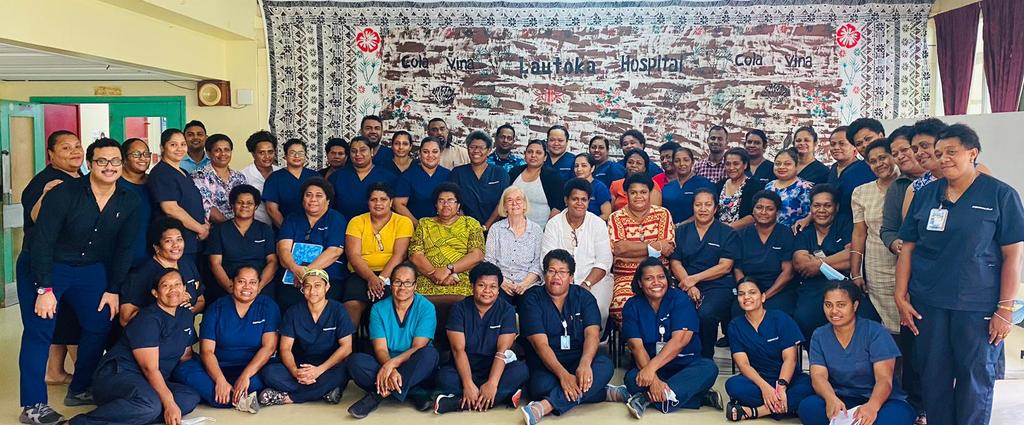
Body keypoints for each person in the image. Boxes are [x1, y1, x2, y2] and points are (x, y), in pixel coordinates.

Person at [896, 124, 1023, 425]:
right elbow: (908, 249)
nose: (943, 159)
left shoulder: (1000, 194)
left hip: (976, 304)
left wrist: (1005, 310)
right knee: (933, 376)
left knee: (974, 377)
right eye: (938, 153)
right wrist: (900, 295)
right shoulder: (926, 194)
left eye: (951, 152)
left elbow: (1013, 256)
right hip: (929, 303)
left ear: (973, 153)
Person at [21, 138, 140, 423]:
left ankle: (81, 387)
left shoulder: (129, 199)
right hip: (46, 266)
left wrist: (113, 290)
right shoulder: (65, 194)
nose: (109, 167)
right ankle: (33, 405)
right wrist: (45, 288)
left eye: (115, 161)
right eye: (102, 161)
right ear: (90, 164)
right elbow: (42, 242)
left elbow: (124, 248)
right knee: (40, 330)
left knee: (100, 322)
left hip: (89, 269)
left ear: (122, 165)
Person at [65, 269, 200, 425]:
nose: (173, 289)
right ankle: (78, 423)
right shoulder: (148, 318)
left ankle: (133, 413)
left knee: (189, 397)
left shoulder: (185, 315)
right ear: (155, 293)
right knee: (151, 405)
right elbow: (150, 368)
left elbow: (185, 355)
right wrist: (169, 403)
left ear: (184, 288)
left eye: (177, 284)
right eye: (166, 286)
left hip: (148, 381)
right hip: (119, 375)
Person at [611, 257, 721, 418]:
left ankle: (646, 398)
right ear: (640, 283)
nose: (656, 282)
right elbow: (636, 347)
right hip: (653, 369)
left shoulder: (680, 299)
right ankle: (697, 397)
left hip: (685, 366)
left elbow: (680, 341)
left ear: (667, 279)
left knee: (709, 368)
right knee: (632, 378)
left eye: (661, 277)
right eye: (649, 278)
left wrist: (650, 370)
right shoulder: (632, 306)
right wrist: (654, 378)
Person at [18, 130, 83, 389]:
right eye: (66, 148)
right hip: (44, 264)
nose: (74, 151)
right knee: (47, 325)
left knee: (68, 317)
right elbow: (36, 220)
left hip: (75, 263)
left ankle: (55, 372)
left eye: (77, 146)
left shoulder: (81, 179)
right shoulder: (45, 182)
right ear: (51, 154)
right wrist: (46, 195)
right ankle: (83, 379)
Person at [519, 250, 615, 425]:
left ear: (571, 277)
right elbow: (540, 345)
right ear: (545, 274)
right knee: (540, 388)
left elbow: (592, 334)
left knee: (605, 366)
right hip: (546, 362)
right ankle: (601, 392)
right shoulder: (531, 299)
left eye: (562, 272)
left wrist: (585, 364)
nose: (556, 276)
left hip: (578, 359)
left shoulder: (584, 297)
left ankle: (545, 406)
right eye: (551, 271)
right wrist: (563, 375)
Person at [798, 282, 915, 425]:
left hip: (880, 401)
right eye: (828, 305)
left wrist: (872, 407)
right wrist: (830, 399)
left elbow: (884, 379)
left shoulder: (875, 332)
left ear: (854, 306)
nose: (834, 311)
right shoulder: (819, 335)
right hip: (841, 399)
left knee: (898, 417)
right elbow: (818, 376)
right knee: (808, 407)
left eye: (841, 305)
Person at [172, 266, 278, 413]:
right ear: (232, 283)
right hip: (217, 368)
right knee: (183, 369)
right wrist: (220, 380)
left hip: (253, 370)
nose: (247, 287)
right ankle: (237, 397)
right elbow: (207, 351)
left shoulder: (268, 306)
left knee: (266, 377)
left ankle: (225, 396)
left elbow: (269, 347)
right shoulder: (216, 308)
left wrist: (245, 376)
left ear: (259, 284)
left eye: (252, 282)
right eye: (241, 281)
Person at [433, 262, 529, 414]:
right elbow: (458, 350)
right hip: (465, 367)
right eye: (482, 285)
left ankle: (458, 403)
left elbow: (502, 351)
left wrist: (492, 383)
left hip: (495, 368)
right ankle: (501, 397)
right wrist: (468, 384)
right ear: (472, 286)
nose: (487, 291)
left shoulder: (506, 310)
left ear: (498, 290)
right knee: (444, 377)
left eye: (493, 287)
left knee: (521, 370)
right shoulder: (459, 309)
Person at [347, 263, 440, 418]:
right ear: (391, 284)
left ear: (415, 285)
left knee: (429, 355)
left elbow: (418, 347)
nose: (402, 287)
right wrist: (390, 368)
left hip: (414, 362)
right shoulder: (378, 308)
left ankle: (377, 396)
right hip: (386, 363)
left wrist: (391, 365)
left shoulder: (426, 307)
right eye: (397, 282)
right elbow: (380, 350)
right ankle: (412, 391)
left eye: (408, 282)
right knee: (355, 362)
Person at [259, 269, 354, 408]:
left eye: (317, 285)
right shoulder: (293, 312)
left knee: (343, 372)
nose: (312, 290)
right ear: (302, 289)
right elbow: (285, 348)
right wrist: (295, 372)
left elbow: (347, 348)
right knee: (269, 373)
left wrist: (319, 370)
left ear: (327, 287)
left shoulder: (338, 310)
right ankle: (323, 392)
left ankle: (288, 398)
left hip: (328, 366)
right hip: (301, 366)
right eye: (307, 286)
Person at [725, 279, 813, 421]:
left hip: (788, 379)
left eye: (752, 293)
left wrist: (781, 387)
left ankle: (755, 411)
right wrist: (765, 388)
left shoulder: (780, 318)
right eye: (741, 294)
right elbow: (743, 365)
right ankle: (785, 407)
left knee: (810, 385)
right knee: (733, 385)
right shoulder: (735, 326)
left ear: (763, 297)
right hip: (759, 380)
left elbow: (790, 359)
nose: (746, 297)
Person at [669, 189, 740, 358]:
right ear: (692, 207)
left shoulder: (727, 232)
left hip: (718, 285)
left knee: (705, 314)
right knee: (678, 310)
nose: (703, 209)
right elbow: (675, 262)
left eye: (708, 205)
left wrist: (694, 280)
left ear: (715, 208)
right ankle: (678, 356)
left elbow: (725, 266)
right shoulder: (681, 231)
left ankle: (705, 357)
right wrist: (688, 283)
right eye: (698, 204)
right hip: (684, 282)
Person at [791, 185, 864, 339]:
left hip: (843, 283)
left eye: (827, 205)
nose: (822, 210)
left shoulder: (844, 224)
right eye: (817, 205)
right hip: (812, 287)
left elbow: (850, 257)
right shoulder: (805, 230)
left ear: (836, 207)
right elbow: (800, 263)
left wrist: (818, 264)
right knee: (804, 318)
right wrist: (833, 260)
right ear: (810, 208)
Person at [542, 179, 614, 328]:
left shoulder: (597, 224)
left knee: (598, 309)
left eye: (584, 200)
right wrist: (565, 284)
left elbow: (604, 261)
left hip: (594, 280)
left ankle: (593, 343)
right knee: (555, 309)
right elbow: (547, 259)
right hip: (559, 279)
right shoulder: (553, 224)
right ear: (566, 200)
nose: (580, 203)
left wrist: (586, 284)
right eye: (575, 199)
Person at [408, 183, 485, 321]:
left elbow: (477, 255)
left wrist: (449, 269)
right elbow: (415, 255)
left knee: (466, 300)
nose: (446, 204)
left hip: (461, 279)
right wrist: (434, 275)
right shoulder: (424, 224)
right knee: (416, 301)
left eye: (451, 200)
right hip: (428, 278)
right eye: (441, 201)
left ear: (458, 205)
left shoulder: (471, 223)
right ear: (436, 205)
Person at [608, 174, 675, 324]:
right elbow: (619, 249)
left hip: (659, 276)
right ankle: (637, 344)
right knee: (620, 305)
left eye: (643, 192)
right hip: (626, 278)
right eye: (633, 192)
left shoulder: (662, 214)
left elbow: (667, 248)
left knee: (671, 306)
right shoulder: (616, 217)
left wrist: (630, 251)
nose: (639, 196)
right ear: (626, 195)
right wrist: (654, 247)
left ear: (650, 193)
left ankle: (657, 343)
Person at [344, 182, 413, 326]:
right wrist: (371, 278)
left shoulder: (403, 222)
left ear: (391, 202)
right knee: (352, 305)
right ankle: (348, 346)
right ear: (367, 202)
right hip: (361, 273)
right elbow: (354, 256)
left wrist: (381, 279)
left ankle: (385, 346)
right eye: (373, 199)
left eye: (383, 199)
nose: (378, 203)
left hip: (391, 275)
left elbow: (399, 255)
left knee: (390, 306)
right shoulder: (356, 221)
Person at [850, 139, 901, 333]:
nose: (879, 164)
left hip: (905, 264)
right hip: (876, 266)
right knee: (884, 326)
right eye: (873, 161)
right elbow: (859, 233)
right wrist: (856, 272)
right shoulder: (861, 192)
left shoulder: (908, 185)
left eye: (883, 157)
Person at [276, 177, 347, 310]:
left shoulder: (336, 219)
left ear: (328, 200)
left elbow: (334, 251)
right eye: (308, 195)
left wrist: (306, 273)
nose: (313, 199)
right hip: (293, 275)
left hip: (327, 276)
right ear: (303, 199)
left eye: (319, 196)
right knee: (287, 303)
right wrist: (295, 268)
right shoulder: (292, 218)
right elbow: (283, 249)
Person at [120, 218, 204, 326]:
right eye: (168, 241)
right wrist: (169, 305)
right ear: (156, 247)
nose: (176, 245)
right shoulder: (140, 275)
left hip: (182, 336)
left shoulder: (188, 264)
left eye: (179, 239)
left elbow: (201, 301)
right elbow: (125, 319)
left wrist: (184, 312)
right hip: (152, 338)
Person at [206, 185, 278, 302]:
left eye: (249, 203)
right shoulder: (219, 231)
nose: (245, 206)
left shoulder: (265, 230)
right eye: (240, 202)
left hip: (260, 287)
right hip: (228, 287)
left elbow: (272, 261)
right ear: (232, 205)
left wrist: (258, 286)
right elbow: (215, 263)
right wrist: (230, 287)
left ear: (256, 206)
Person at [147, 128, 208, 267]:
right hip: (176, 245)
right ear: (163, 147)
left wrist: (205, 224)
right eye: (173, 145)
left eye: (182, 144)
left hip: (193, 241)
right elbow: (170, 209)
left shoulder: (183, 172)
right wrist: (200, 228)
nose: (179, 148)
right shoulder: (162, 173)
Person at [734, 191, 798, 315]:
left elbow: (788, 273)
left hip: (778, 289)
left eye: (769, 209)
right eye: (759, 208)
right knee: (736, 311)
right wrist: (748, 293)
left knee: (776, 313)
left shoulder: (785, 234)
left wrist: (764, 296)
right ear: (753, 211)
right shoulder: (742, 235)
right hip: (749, 287)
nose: (763, 212)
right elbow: (737, 270)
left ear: (777, 212)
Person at [487, 186, 543, 305]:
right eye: (509, 200)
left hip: (528, 284)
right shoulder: (495, 229)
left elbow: (538, 263)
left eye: (518, 199)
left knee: (531, 307)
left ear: (524, 205)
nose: (514, 203)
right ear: (504, 206)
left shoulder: (536, 230)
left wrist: (524, 284)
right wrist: (502, 281)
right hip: (501, 283)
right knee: (498, 307)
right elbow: (490, 261)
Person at [448, 130, 510, 228]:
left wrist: (486, 226)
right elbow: (453, 201)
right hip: (463, 228)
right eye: (472, 147)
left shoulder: (500, 173)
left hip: (494, 229)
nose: (476, 151)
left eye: (481, 147)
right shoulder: (457, 173)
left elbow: (502, 202)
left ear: (489, 150)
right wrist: (468, 226)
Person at [879, 126, 923, 256]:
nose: (900, 157)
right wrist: (894, 243)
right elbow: (888, 229)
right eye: (895, 154)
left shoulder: (945, 178)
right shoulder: (898, 187)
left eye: (904, 150)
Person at [329, 136, 397, 220]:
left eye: (363, 150)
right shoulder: (337, 177)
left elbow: (394, 206)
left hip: (378, 229)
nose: (358, 154)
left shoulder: (388, 177)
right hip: (344, 227)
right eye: (354, 151)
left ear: (371, 152)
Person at [394, 137, 451, 224]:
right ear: (420, 153)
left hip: (445, 227)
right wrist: (418, 225)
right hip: (416, 228)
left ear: (440, 153)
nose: (430, 155)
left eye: (435, 152)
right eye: (425, 152)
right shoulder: (408, 175)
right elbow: (398, 204)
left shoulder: (448, 175)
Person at [510, 140, 566, 229]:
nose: (533, 155)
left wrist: (547, 230)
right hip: (512, 229)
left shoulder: (553, 177)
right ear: (525, 154)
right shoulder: (514, 172)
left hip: (540, 232)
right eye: (530, 152)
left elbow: (557, 207)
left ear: (545, 157)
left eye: (538, 153)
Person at [192, 133, 247, 224]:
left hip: (240, 228)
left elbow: (246, 204)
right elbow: (208, 208)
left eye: (227, 150)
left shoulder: (239, 177)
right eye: (218, 150)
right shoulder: (199, 176)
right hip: (213, 231)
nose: (223, 154)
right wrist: (232, 228)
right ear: (209, 154)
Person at [263, 138, 318, 229]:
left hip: (314, 230)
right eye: (292, 153)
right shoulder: (274, 178)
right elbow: (271, 209)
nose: (297, 156)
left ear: (306, 156)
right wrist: (288, 231)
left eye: (300, 153)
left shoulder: (315, 177)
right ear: (285, 156)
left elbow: (323, 205)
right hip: (285, 232)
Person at [825, 126, 876, 225]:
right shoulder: (833, 169)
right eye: (833, 144)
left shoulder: (866, 169)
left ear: (854, 146)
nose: (836, 148)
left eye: (842, 144)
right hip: (835, 223)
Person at [661, 146, 715, 225]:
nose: (682, 164)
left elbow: (709, 210)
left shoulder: (704, 184)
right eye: (677, 161)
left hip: (697, 232)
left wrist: (681, 225)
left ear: (692, 162)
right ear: (673, 163)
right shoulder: (667, 187)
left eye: (686, 160)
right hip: (671, 232)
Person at [120, 137, 153, 267]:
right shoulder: (114, 184)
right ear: (124, 158)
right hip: (122, 256)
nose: (143, 158)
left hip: (151, 256)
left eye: (146, 154)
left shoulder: (154, 182)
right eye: (136, 154)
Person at [764, 148, 813, 229]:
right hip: (769, 234)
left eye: (787, 164)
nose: (781, 167)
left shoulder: (805, 187)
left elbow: (812, 214)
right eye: (778, 164)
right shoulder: (769, 186)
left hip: (795, 235)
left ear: (796, 166)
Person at [239, 131, 281, 225]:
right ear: (253, 154)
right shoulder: (243, 176)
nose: (267, 157)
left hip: (280, 225)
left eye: (270, 152)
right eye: (261, 152)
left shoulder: (281, 173)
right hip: (255, 227)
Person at [718, 148, 759, 229]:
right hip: (719, 235)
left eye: (736, 164)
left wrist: (728, 228)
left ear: (745, 165)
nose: (731, 167)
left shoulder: (755, 186)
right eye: (728, 164)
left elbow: (755, 215)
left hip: (743, 235)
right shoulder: (719, 185)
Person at [572, 154, 612, 220]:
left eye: (584, 166)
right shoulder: (571, 186)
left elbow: (606, 214)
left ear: (592, 168)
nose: (579, 169)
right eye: (576, 166)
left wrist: (588, 225)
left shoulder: (600, 187)